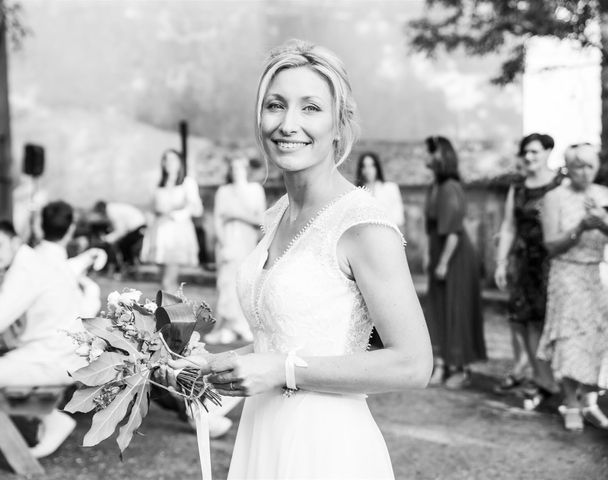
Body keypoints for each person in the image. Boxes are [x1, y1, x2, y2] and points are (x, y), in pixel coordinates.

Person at [168, 39, 432, 479]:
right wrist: (219, 363)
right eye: (275, 105)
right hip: (263, 435)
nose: (288, 124)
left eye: (310, 108)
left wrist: (281, 369)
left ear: (339, 124)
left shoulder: (362, 226)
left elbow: (414, 364)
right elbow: (285, 338)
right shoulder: (277, 216)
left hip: (325, 447)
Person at [0, 219, 87, 458]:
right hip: (61, 354)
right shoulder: (33, 261)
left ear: (15, 240)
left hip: (50, 359)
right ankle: (49, 419)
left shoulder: (26, 269)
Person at [538, 144, 608, 431]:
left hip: (596, 273)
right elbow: (551, 245)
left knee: (597, 338)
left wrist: (602, 224)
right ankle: (570, 401)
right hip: (567, 273)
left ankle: (590, 401)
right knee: (570, 338)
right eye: (579, 166)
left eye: (590, 166)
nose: (585, 173)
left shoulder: (603, 194)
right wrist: (580, 226)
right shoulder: (554, 197)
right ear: (569, 168)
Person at [494, 133, 561, 407]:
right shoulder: (518, 188)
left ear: (547, 152)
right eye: (526, 153)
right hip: (525, 263)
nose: (530, 157)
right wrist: (501, 262)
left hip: (554, 262)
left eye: (535, 152)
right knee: (527, 322)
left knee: (553, 322)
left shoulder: (561, 184)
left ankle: (563, 382)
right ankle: (542, 381)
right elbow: (509, 226)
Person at [423, 135, 487, 389]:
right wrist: (431, 256)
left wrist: (443, 263)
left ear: (440, 156)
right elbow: (432, 229)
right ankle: (441, 364)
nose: (425, 157)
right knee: (438, 309)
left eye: (429, 153)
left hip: (455, 255)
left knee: (456, 309)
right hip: (440, 252)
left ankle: (461, 367)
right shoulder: (434, 187)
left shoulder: (450, 187)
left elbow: (453, 231)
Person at [206, 156, 266, 344]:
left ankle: (244, 325)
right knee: (227, 282)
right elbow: (217, 219)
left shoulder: (256, 190)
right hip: (229, 241)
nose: (236, 171)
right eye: (233, 167)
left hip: (247, 241)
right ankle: (228, 325)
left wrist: (236, 214)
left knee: (246, 281)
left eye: (240, 167)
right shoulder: (223, 191)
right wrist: (224, 244)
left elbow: (262, 220)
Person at [140, 149, 204, 293]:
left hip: (177, 233)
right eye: (166, 159)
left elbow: (196, 208)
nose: (169, 163)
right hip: (160, 233)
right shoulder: (158, 185)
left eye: (173, 160)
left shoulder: (187, 183)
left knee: (168, 280)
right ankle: (168, 311)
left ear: (179, 163)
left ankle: (172, 312)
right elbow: (150, 208)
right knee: (163, 281)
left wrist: (177, 214)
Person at [92, 200, 146, 276]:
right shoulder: (113, 209)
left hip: (137, 226)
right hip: (138, 224)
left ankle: (128, 268)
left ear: (101, 209)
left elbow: (120, 231)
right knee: (125, 246)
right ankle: (129, 267)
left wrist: (107, 239)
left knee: (123, 246)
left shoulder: (112, 212)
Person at [356, 151, 405, 228]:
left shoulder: (390, 188)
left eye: (371, 166)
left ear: (377, 168)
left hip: (388, 233)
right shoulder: (357, 193)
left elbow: (399, 218)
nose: (368, 170)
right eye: (364, 166)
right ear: (360, 170)